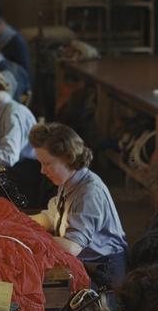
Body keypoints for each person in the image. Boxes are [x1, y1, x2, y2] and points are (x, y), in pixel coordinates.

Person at [29, 122, 127, 290]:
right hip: (88, 262)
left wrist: (30, 235)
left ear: (68, 158)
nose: (42, 171)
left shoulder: (89, 192)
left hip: (104, 271)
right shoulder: (69, 180)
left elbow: (72, 247)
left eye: (47, 163)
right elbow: (53, 217)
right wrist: (20, 222)